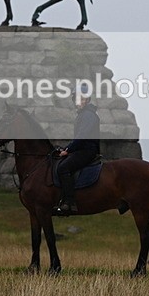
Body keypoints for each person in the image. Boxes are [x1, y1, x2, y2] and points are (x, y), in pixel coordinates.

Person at [54, 84, 100, 215]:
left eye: (83, 99)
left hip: (87, 151)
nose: (80, 101)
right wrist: (66, 148)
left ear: (87, 100)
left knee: (63, 168)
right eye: (77, 99)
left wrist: (68, 150)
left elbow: (82, 136)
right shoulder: (83, 114)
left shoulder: (89, 115)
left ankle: (70, 202)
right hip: (81, 149)